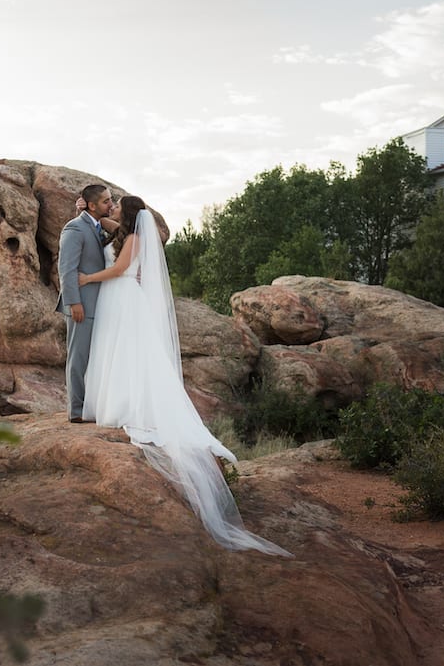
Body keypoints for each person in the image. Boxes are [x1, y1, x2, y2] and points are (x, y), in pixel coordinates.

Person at [78, 196, 291, 556]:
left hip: (123, 294)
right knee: (119, 352)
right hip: (119, 300)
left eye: (116, 207)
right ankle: (115, 401)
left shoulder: (135, 241)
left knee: (131, 355)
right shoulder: (127, 232)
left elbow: (118, 270)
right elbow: (112, 227)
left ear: (127, 213)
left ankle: (129, 406)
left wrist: (87, 278)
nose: (111, 209)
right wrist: (86, 214)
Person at [56, 184, 113, 423]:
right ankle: (76, 411)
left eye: (111, 200)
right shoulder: (75, 228)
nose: (111, 204)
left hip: (100, 305)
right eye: (106, 201)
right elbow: (66, 270)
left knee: (94, 358)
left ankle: (91, 405)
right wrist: (73, 303)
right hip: (82, 305)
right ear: (92, 205)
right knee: (78, 358)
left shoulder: (98, 227)